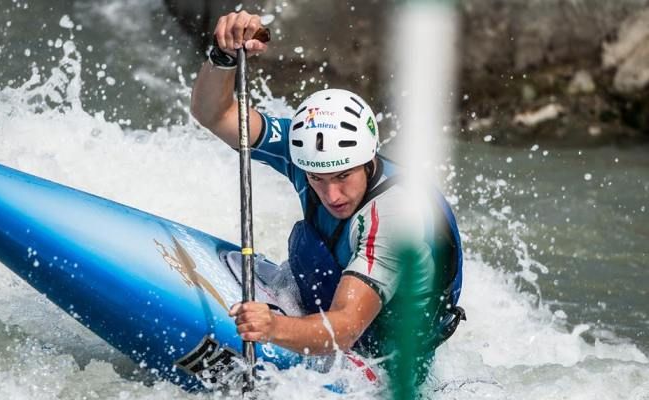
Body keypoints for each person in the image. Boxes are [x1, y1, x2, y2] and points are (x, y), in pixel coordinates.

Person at [191, 11, 464, 380]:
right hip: (344, 305)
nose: (332, 194)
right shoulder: (306, 152)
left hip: (391, 352)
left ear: (367, 158)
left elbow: (347, 327)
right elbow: (215, 113)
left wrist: (272, 328)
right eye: (316, 178)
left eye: (343, 176)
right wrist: (223, 56)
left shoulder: (396, 216)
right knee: (307, 245)